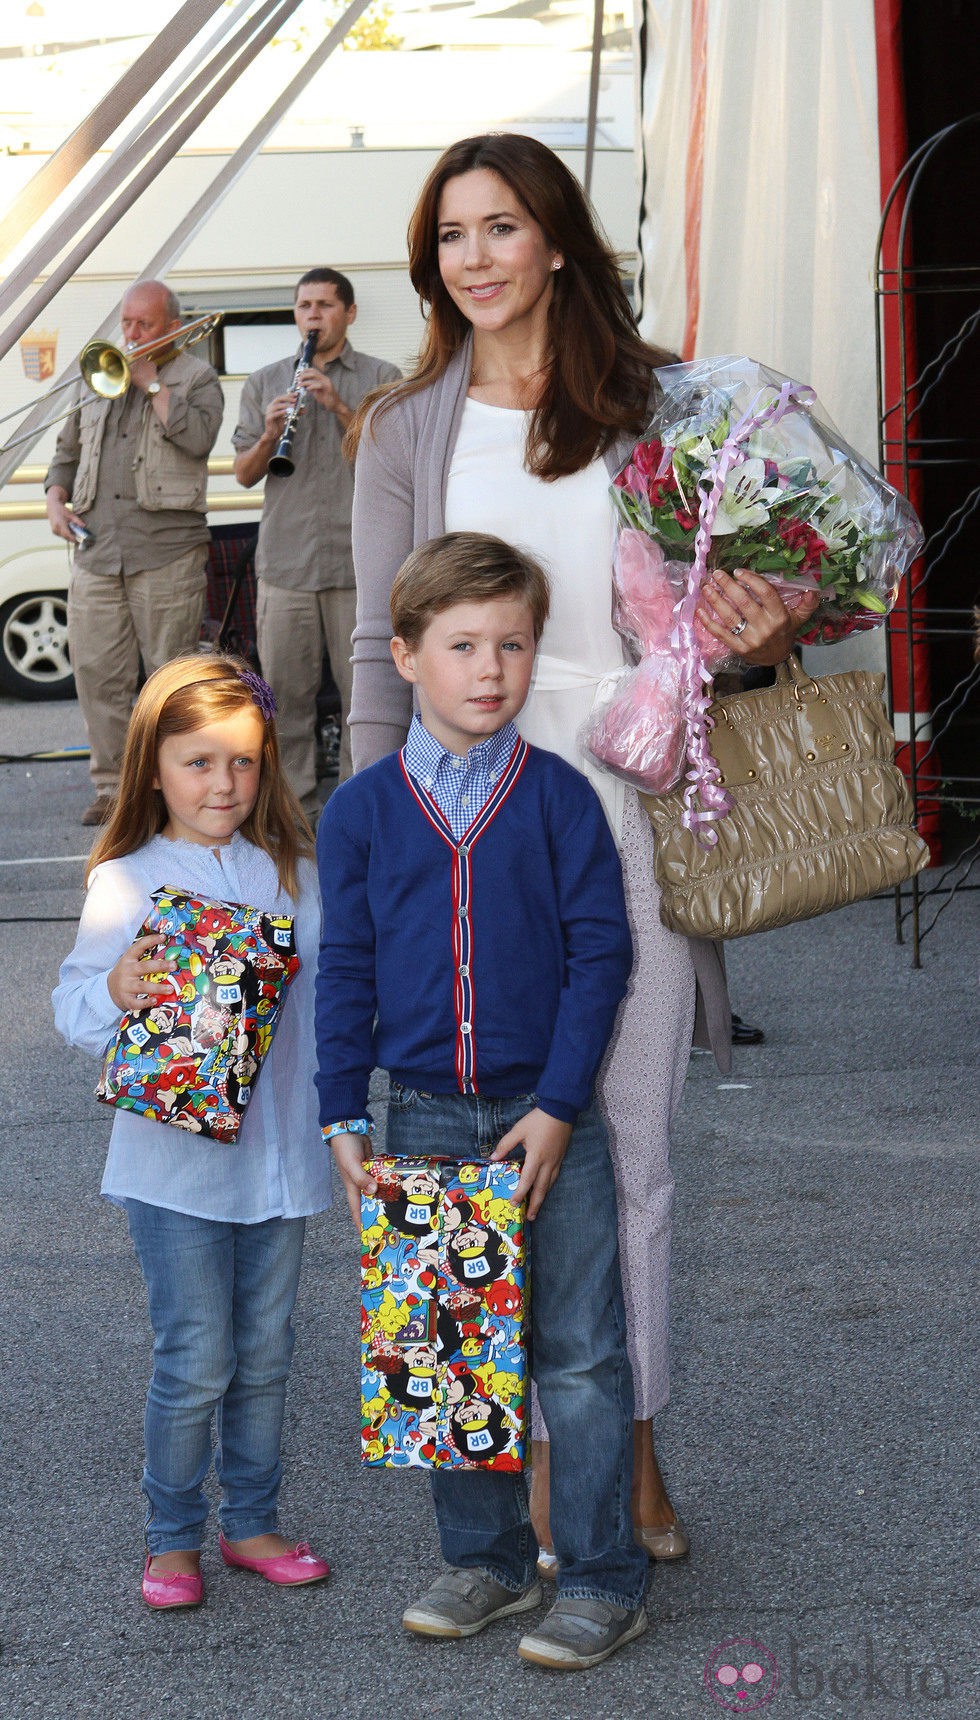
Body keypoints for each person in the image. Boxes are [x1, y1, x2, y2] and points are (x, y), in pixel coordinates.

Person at [346, 134, 821, 1569]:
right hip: (460, 822)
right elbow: (380, 647)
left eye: (502, 228)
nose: (476, 259)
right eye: (450, 238)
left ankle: (627, 1453)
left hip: (622, 802)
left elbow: (748, 607)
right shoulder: (407, 428)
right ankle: (497, 1498)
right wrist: (380, 843)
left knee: (631, 1148)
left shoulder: (667, 406)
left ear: (558, 240)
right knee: (460, 1158)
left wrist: (766, 624)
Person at [317, 531, 650, 1670]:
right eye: (461, 644)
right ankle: (489, 1561)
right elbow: (345, 968)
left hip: (545, 1118)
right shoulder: (360, 812)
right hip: (416, 1114)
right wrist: (339, 1112)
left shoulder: (559, 799)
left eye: (510, 642)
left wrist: (560, 1104)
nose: (490, 667)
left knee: (580, 1356)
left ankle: (603, 1575)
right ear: (405, 655)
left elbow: (600, 956)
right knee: (452, 1352)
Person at [52, 653, 331, 1610]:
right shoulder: (127, 880)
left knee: (266, 1350)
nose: (223, 784)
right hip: (172, 1171)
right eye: (199, 762)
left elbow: (335, 1002)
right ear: (155, 768)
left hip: (279, 1161)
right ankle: (171, 1536)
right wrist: (119, 990)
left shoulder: (291, 874)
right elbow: (73, 1004)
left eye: (244, 763)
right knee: (196, 1354)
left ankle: (250, 1522)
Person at [45, 279, 224, 827]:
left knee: (168, 678)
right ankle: (113, 789)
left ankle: (174, 789)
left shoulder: (197, 377)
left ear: (172, 326)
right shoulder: (97, 375)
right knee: (98, 673)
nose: (131, 333)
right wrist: (55, 497)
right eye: (127, 323)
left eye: (144, 324)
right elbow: (66, 450)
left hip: (165, 552)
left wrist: (151, 384)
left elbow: (198, 439)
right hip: (98, 551)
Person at [232, 268, 401, 811]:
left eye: (325, 305)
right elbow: (243, 473)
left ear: (348, 313)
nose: (313, 316)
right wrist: (267, 432)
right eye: (304, 306)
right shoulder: (264, 380)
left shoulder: (382, 375)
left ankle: (360, 804)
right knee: (284, 698)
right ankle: (291, 805)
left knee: (365, 698)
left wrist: (337, 406)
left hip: (361, 566)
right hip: (287, 565)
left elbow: (395, 457)